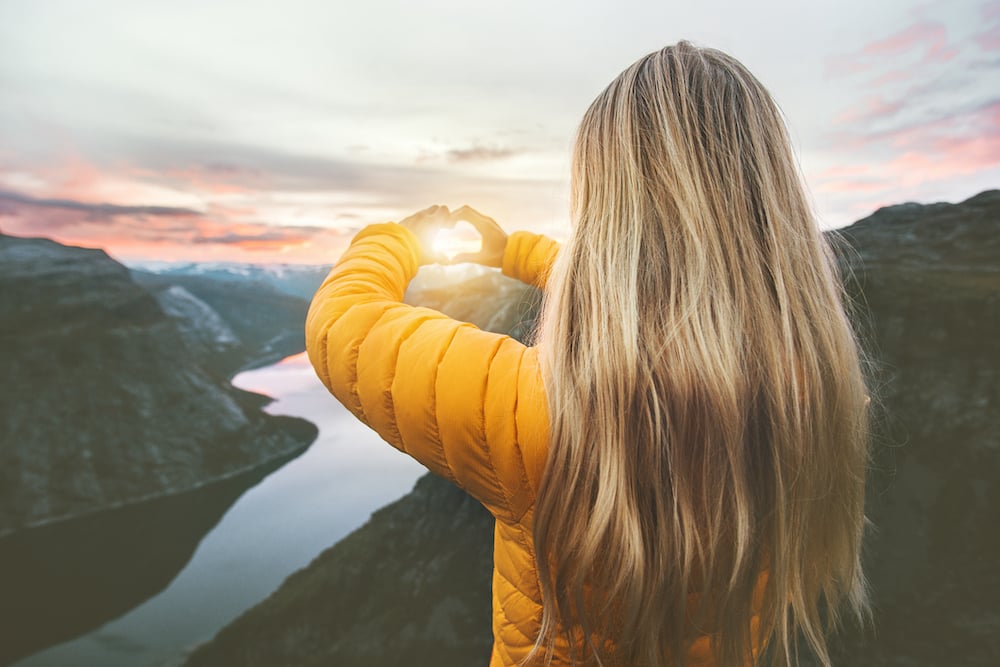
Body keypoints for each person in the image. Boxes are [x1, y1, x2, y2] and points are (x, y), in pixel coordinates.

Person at [305, 39, 874, 667]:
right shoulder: (821, 397)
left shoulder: (533, 415)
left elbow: (342, 324)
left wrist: (397, 240)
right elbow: (653, 302)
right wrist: (516, 251)